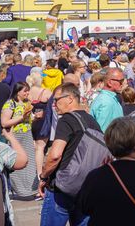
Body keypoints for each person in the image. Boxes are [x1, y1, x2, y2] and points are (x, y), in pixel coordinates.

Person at [39, 82, 104, 226]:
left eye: (56, 100)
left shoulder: (67, 120)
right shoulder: (92, 121)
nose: (54, 105)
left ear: (70, 98)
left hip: (62, 187)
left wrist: (43, 176)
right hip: (86, 187)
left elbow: (55, 155)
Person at [0, 81, 38, 199]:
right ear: (17, 92)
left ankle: (31, 189)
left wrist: (35, 117)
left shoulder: (27, 102)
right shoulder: (10, 104)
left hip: (27, 134)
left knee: (30, 162)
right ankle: (19, 190)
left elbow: (28, 119)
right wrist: (22, 117)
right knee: (16, 163)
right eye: (25, 91)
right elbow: (4, 122)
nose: (27, 93)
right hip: (15, 136)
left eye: (28, 90)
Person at [90, 67, 125, 132]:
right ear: (109, 83)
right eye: (120, 81)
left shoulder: (110, 98)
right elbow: (102, 133)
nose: (122, 84)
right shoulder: (106, 102)